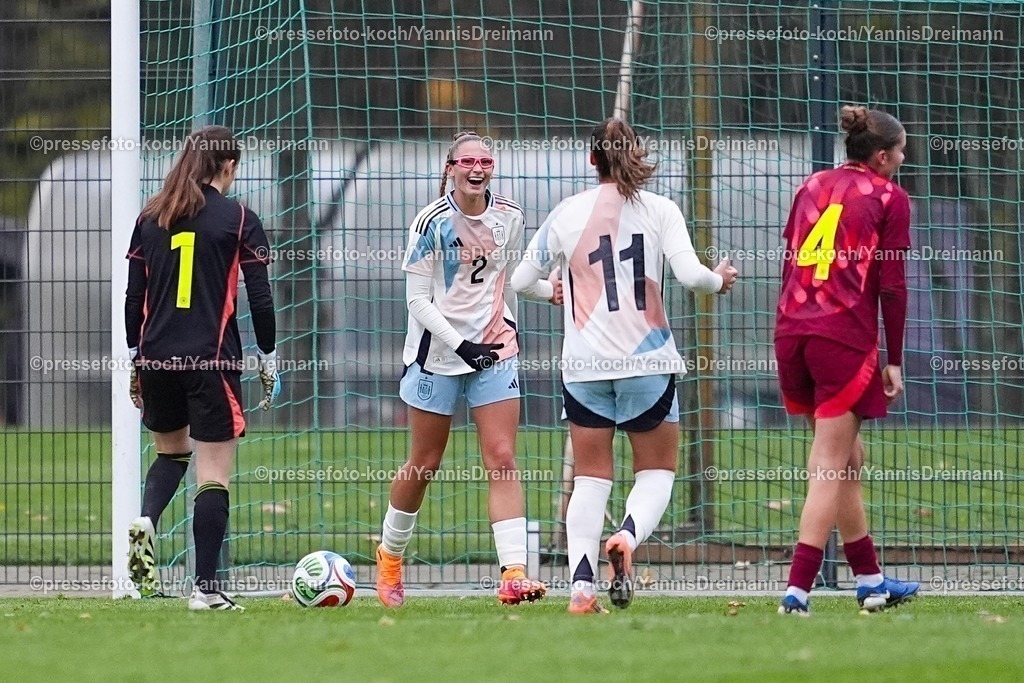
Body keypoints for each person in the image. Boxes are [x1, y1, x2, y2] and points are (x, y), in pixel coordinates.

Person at [511, 117, 738, 613]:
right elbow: (692, 277)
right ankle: (628, 538)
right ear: (636, 154)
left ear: (592, 160)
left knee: (590, 479)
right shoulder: (660, 209)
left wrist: (554, 289)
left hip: (584, 367)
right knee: (656, 472)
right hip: (647, 361)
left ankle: (580, 590)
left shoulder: (567, 213)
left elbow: (521, 279)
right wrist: (720, 279)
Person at [375, 131, 557, 607]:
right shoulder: (430, 222)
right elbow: (416, 300)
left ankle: (514, 574)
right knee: (425, 463)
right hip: (437, 355)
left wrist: (548, 291)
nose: (477, 168)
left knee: (502, 457)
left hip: (496, 350)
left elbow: (510, 278)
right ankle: (390, 560)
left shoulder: (510, 216)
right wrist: (462, 345)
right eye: (467, 161)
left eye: (485, 160)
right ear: (451, 169)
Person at [124, 125, 281, 611]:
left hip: (155, 357)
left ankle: (147, 520)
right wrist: (268, 356)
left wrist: (136, 359)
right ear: (228, 165)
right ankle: (206, 591)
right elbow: (259, 296)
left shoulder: (151, 217)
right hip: (210, 361)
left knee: (171, 454)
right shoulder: (239, 220)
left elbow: (135, 298)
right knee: (213, 473)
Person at [775, 105, 920, 615]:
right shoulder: (889, 197)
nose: (904, 159)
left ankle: (871, 581)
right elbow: (893, 286)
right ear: (881, 157)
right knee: (830, 463)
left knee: (848, 458)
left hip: (793, 330)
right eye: (901, 151)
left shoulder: (811, 185)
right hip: (842, 339)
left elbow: (788, 258)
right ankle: (796, 592)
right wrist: (894, 359)